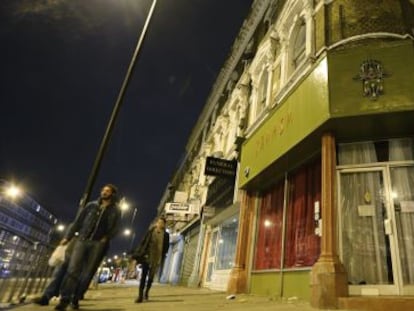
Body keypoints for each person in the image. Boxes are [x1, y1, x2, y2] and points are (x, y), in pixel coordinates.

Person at [54, 184, 121, 311]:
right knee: (73, 269)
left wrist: (107, 237)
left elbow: (116, 228)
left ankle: (75, 298)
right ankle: (64, 299)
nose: (104, 192)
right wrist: (67, 237)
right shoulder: (91, 205)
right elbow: (78, 222)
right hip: (82, 240)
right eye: (103, 190)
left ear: (112, 194)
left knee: (87, 273)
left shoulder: (116, 210)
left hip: (98, 244)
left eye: (107, 191)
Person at [131, 216, 169, 303]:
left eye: (162, 223)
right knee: (143, 277)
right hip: (147, 257)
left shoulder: (166, 235)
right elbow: (143, 242)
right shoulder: (150, 232)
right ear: (156, 223)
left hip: (157, 258)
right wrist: (140, 253)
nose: (160, 224)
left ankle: (146, 292)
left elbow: (166, 247)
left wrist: (163, 255)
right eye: (159, 222)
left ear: (164, 224)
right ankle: (140, 296)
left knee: (151, 277)